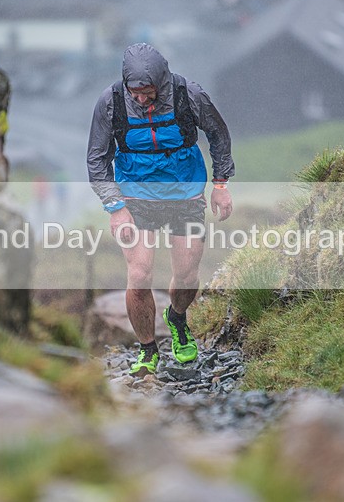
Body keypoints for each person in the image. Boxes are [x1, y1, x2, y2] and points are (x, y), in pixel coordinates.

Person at [87, 43, 234, 377]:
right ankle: (147, 349)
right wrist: (115, 208)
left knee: (187, 274)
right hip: (135, 196)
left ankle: (177, 318)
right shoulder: (110, 102)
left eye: (148, 92)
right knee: (139, 274)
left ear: (162, 82)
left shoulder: (189, 94)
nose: (141, 99)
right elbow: (97, 159)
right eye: (135, 92)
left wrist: (221, 184)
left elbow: (218, 135)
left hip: (185, 193)